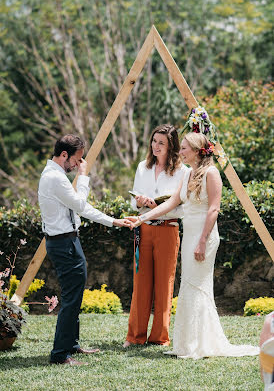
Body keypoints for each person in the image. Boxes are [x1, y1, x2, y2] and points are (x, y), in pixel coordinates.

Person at [129, 132, 259, 358]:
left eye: (185, 148)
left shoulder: (212, 173)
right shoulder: (188, 173)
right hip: (189, 236)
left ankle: (199, 344)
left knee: (197, 287)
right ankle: (188, 344)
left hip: (203, 238)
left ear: (198, 151)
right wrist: (142, 218)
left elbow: (213, 209)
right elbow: (171, 203)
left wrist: (202, 241)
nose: (181, 152)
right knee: (188, 286)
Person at [38, 134, 130, 365]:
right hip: (63, 243)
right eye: (77, 160)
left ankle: (72, 344)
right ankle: (60, 354)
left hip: (67, 241)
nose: (78, 164)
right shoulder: (55, 178)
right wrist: (84, 177)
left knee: (75, 294)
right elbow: (80, 205)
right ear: (64, 155)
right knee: (71, 298)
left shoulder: (55, 175)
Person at [123, 124, 189, 348]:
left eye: (161, 142)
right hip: (144, 229)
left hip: (168, 229)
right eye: (154, 141)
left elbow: (183, 208)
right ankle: (135, 336)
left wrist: (157, 205)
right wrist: (140, 202)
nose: (156, 146)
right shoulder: (143, 167)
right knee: (141, 283)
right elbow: (133, 200)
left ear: (171, 145)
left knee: (164, 284)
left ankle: (160, 337)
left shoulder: (183, 171)